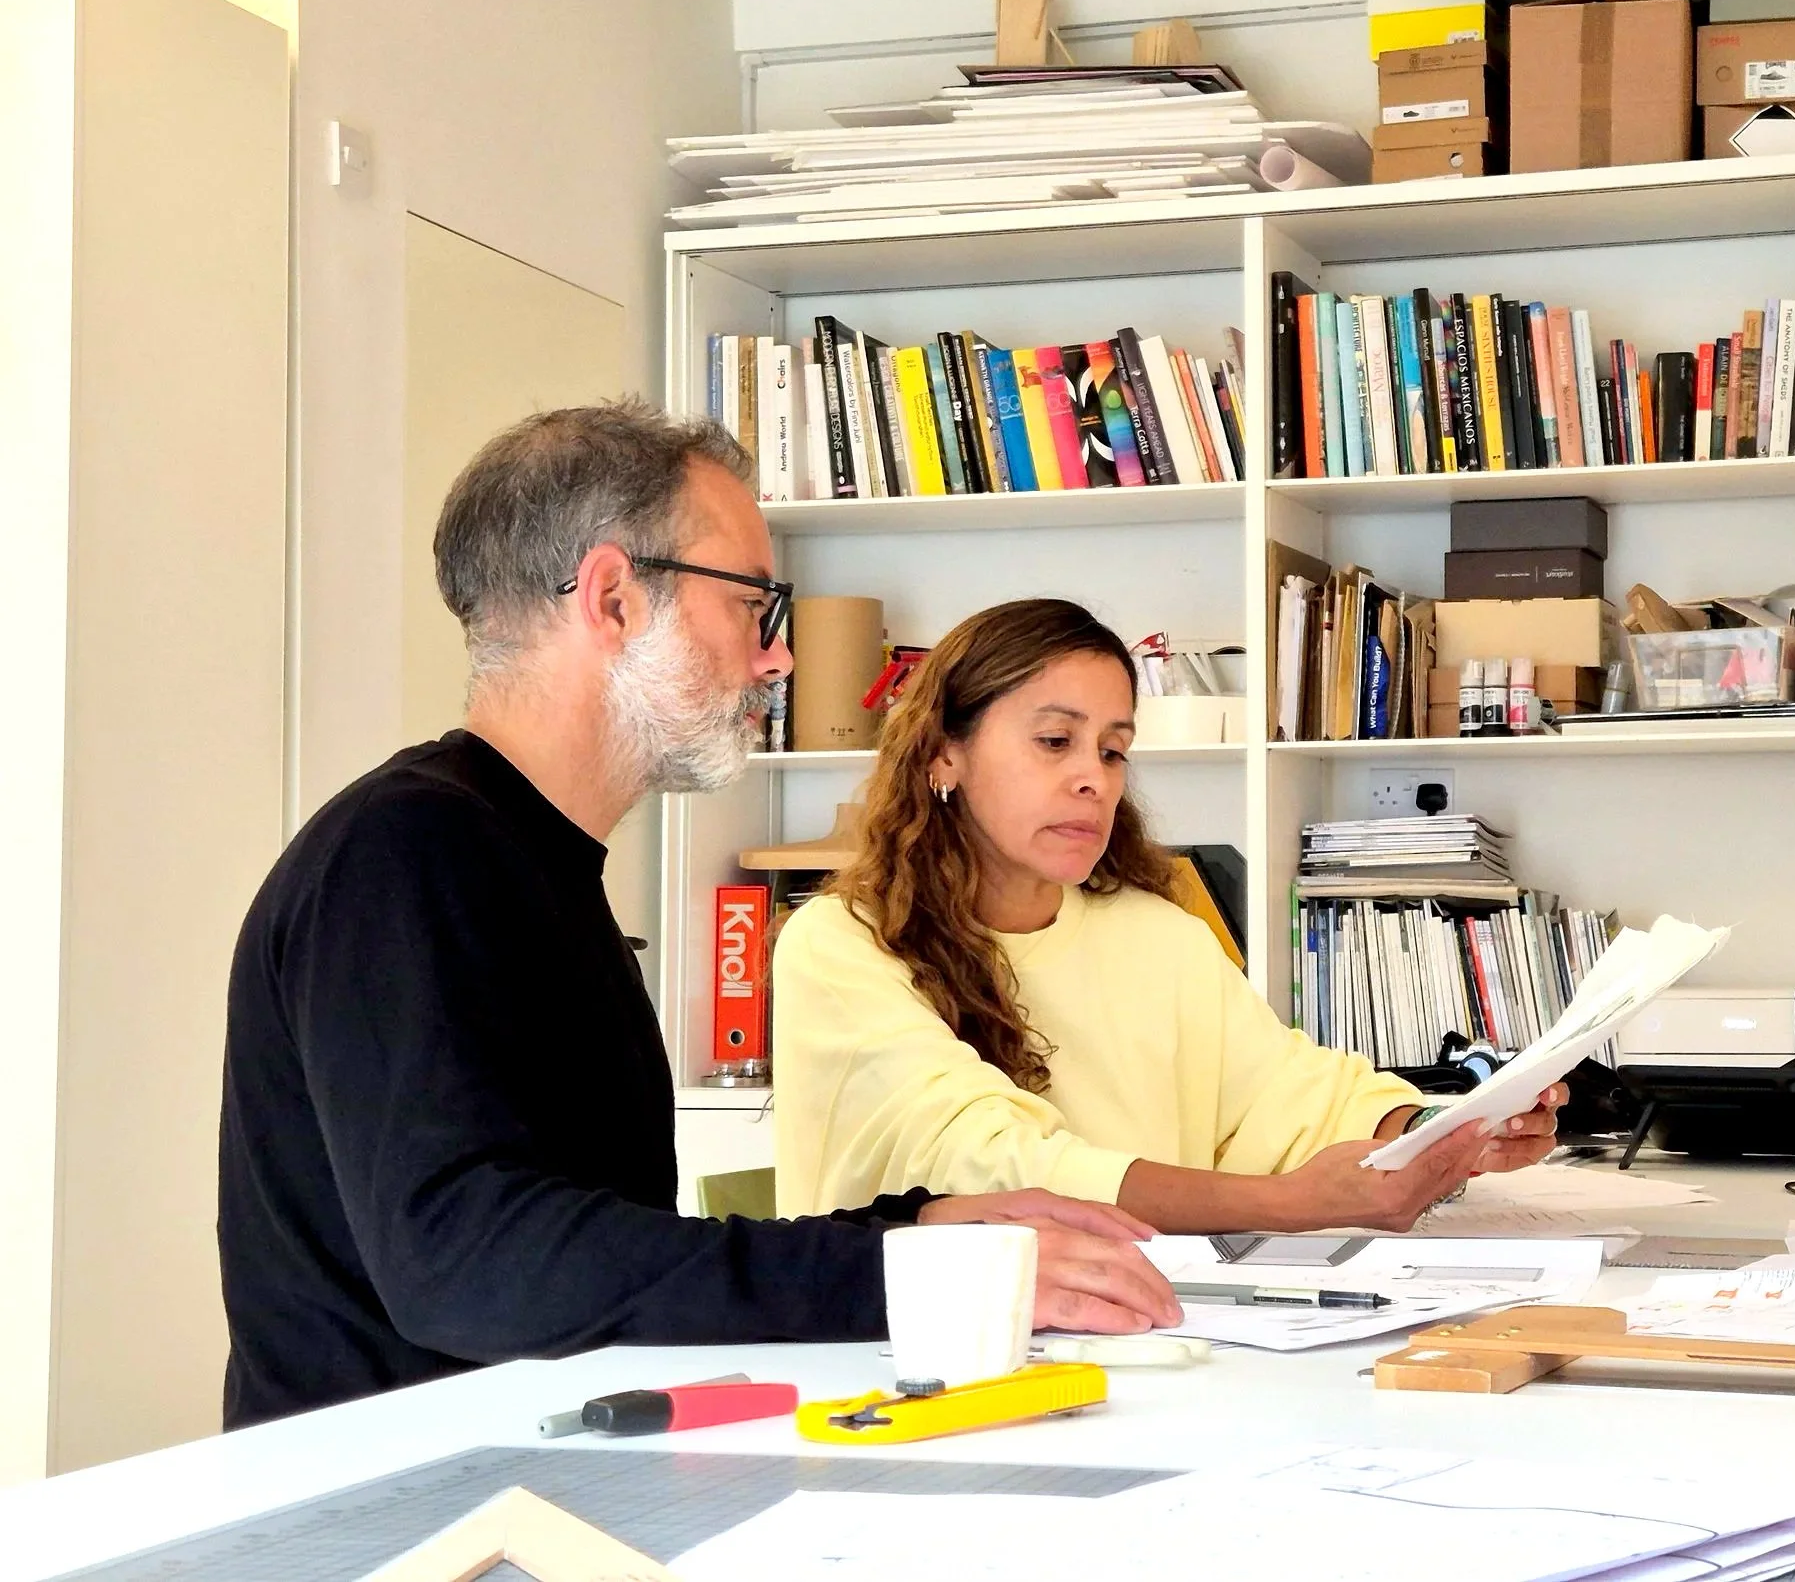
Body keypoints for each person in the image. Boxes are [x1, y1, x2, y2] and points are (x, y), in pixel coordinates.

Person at [217, 406, 1176, 1430]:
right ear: (614, 597)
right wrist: (891, 1268)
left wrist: (918, 1224)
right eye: (755, 606)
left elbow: (602, 1251)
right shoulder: (404, 854)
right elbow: (470, 1265)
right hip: (394, 1521)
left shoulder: (519, 863)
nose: (779, 661)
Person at [772, 597, 1565, 1233]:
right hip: (910, 1358)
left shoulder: (1158, 936)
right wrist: (1293, 1205)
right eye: (1055, 740)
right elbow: (996, 1163)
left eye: (1113, 750)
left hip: (1137, 1339)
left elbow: (1288, 1096)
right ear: (946, 751)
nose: (1094, 777)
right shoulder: (842, 944)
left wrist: (1444, 1129)